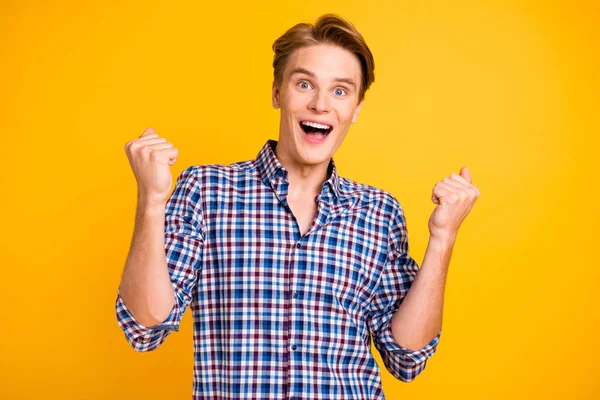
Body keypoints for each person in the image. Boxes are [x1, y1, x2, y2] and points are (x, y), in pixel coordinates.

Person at [115, 13, 480, 400]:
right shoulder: (207, 190)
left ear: (355, 109)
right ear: (277, 92)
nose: (321, 104)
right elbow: (144, 325)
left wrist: (442, 238)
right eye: (305, 84)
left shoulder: (380, 213)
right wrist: (151, 202)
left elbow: (406, 357)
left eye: (340, 91)